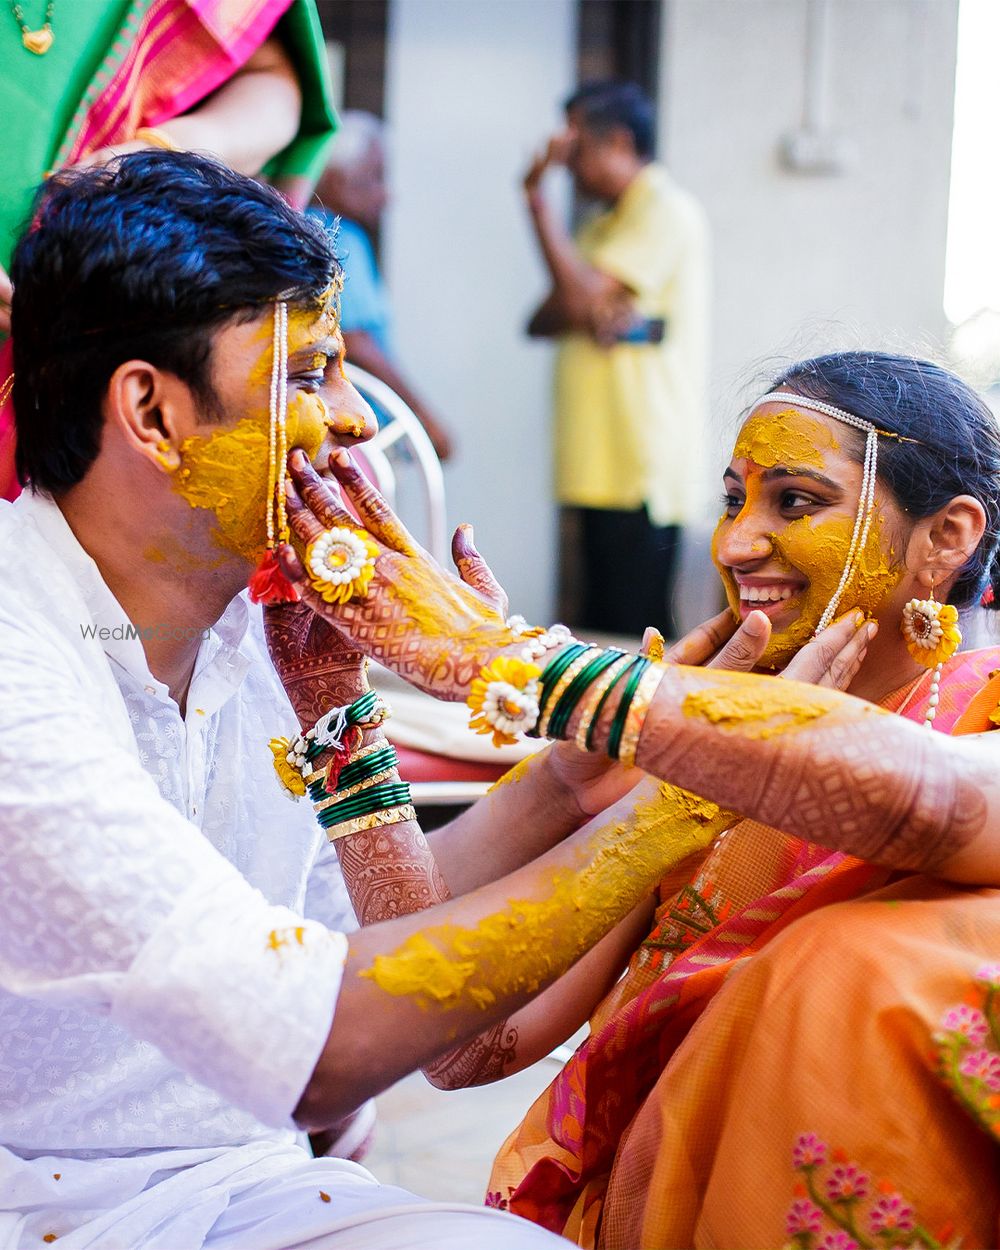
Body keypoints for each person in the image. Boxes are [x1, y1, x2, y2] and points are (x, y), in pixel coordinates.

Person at [1, 149, 816, 1250]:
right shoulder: (20, 653)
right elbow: (327, 1040)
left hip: (243, 1181)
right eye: (306, 376)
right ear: (150, 411)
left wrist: (567, 781)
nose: (351, 422)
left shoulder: (253, 628)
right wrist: (682, 790)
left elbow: (345, 943)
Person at [278, 354, 1000, 1248]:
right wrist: (337, 710)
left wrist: (507, 660)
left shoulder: (984, 721)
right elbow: (468, 1047)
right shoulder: (696, 766)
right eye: (733, 500)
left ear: (948, 536)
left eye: (796, 502)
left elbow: (926, 804)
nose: (736, 543)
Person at [0, 0, 337, 500]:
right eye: (308, 375)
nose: (359, 421)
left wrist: (166, 150)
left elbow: (273, 79)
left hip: (75, 341)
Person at [524, 80, 709, 638]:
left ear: (620, 141)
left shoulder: (663, 208)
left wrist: (536, 200)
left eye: (576, 147)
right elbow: (543, 319)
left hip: (638, 459)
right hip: (598, 459)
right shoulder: (602, 221)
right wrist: (587, 303)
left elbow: (573, 300)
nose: (565, 164)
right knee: (599, 625)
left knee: (634, 633)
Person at [312, 110, 454, 460]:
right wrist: (424, 419)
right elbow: (356, 341)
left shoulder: (299, 225)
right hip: (351, 430)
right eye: (374, 178)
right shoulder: (341, 236)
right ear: (334, 178)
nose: (385, 195)